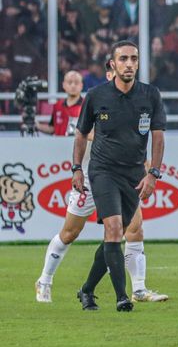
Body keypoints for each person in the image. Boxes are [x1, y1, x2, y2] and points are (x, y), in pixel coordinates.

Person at [36, 62, 168, 304]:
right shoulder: (95, 100)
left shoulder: (130, 103)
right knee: (70, 232)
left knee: (132, 229)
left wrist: (148, 169)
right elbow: (85, 133)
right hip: (91, 176)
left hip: (122, 176)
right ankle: (45, 279)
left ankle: (137, 289)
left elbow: (134, 139)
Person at [72, 41, 167, 312]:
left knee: (116, 235)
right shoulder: (96, 95)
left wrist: (153, 174)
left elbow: (158, 138)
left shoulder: (150, 95)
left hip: (134, 174)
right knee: (113, 229)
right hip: (102, 171)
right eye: (123, 58)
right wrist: (77, 168)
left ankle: (87, 290)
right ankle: (122, 297)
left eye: (133, 58)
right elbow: (81, 134)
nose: (129, 63)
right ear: (112, 64)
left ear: (138, 63)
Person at [36, 71, 83, 136]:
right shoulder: (57, 105)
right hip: (59, 145)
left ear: (81, 85)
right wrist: (37, 125)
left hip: (78, 145)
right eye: (69, 82)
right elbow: (52, 128)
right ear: (64, 85)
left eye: (76, 83)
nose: (73, 85)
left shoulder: (87, 106)